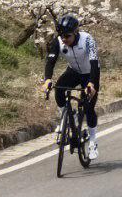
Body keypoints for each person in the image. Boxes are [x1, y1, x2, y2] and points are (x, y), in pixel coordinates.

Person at [42, 14, 100, 161]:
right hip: (74, 71)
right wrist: (48, 78)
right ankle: (68, 116)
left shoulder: (88, 40)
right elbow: (50, 61)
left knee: (88, 107)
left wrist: (92, 84)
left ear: (75, 33)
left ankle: (93, 142)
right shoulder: (59, 41)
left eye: (67, 36)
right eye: (61, 36)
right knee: (59, 89)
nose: (64, 39)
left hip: (90, 74)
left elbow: (94, 64)